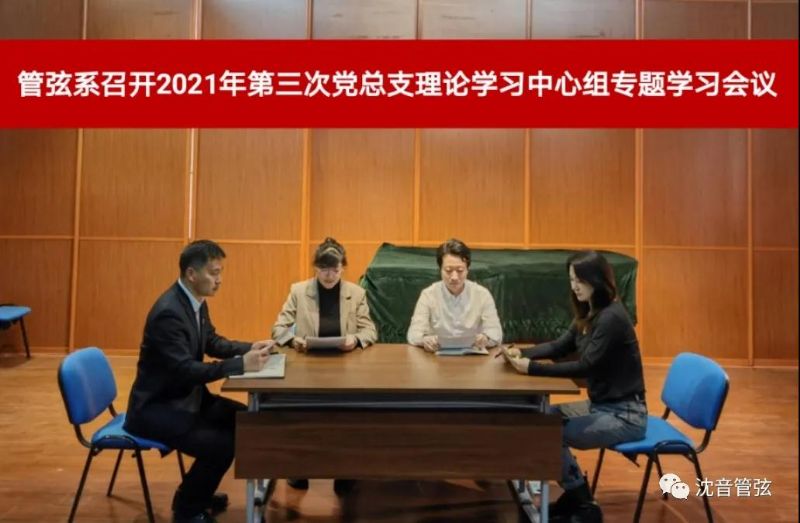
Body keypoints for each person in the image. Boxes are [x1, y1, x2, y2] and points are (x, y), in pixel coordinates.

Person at [125, 240, 275, 523]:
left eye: (220, 272)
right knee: (223, 445)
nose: (219, 280)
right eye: (214, 273)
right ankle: (187, 509)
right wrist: (240, 365)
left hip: (186, 398)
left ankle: (196, 492)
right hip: (159, 408)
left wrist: (250, 347)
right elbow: (185, 370)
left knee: (245, 420)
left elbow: (211, 341)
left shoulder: (194, 301)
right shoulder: (169, 313)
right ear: (192, 274)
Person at [502, 250, 647, 523]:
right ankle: (575, 495)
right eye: (571, 280)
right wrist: (521, 353)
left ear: (598, 280)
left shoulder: (611, 318)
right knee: (540, 419)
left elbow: (585, 366)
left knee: (548, 433)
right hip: (601, 405)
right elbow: (560, 346)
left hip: (626, 414)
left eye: (580, 280)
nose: (575, 286)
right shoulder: (589, 311)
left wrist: (532, 368)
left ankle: (584, 505)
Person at [271, 237, 377, 494]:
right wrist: (293, 340)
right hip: (307, 366)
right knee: (304, 417)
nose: (329, 276)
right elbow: (278, 329)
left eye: (335, 270)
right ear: (315, 268)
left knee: (346, 419)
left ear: (343, 268)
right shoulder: (299, 291)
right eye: (323, 269)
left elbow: (370, 330)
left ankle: (344, 470)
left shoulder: (356, 293)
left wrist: (355, 339)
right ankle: (299, 469)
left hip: (345, 368)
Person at [407, 238, 502, 352]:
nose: (454, 277)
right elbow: (413, 334)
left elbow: (496, 333)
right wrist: (424, 340)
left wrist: (486, 338)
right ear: (440, 269)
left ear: (468, 269)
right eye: (448, 270)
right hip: (436, 357)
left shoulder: (482, 295)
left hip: (473, 357)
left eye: (460, 270)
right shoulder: (428, 295)